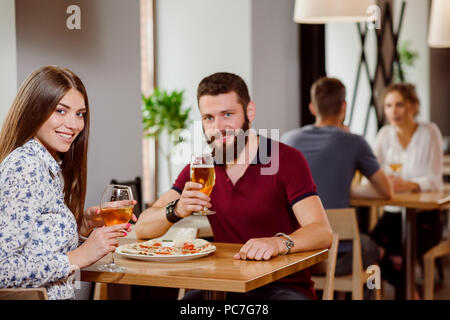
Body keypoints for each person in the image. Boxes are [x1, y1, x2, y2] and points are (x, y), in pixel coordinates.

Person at [135, 72, 333, 300]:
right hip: (224, 287)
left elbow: (321, 231)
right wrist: (176, 209)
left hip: (282, 288)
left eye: (227, 114)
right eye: (208, 118)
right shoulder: (201, 168)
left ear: (249, 112)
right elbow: (142, 228)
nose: (217, 127)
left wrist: (277, 243)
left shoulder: (286, 159)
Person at [0, 66, 135, 300]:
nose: (73, 125)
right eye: (61, 111)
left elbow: (37, 245)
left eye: (80, 114)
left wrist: (83, 224)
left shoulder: (48, 165)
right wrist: (81, 256)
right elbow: (3, 269)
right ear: (35, 109)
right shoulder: (26, 166)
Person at [281, 77, 393, 280]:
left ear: (312, 108)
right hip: (337, 253)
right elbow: (386, 191)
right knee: (374, 250)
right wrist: (346, 189)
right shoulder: (355, 142)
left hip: (294, 255)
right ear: (344, 107)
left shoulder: (287, 140)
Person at [369, 82, 444, 299]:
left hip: (424, 218)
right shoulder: (384, 135)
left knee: (402, 256)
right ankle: (412, 292)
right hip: (392, 216)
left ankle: (409, 290)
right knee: (368, 249)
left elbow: (435, 180)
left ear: (413, 106)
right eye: (389, 105)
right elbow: (373, 171)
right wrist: (384, 181)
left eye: (399, 104)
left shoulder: (430, 132)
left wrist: (408, 184)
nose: (393, 111)